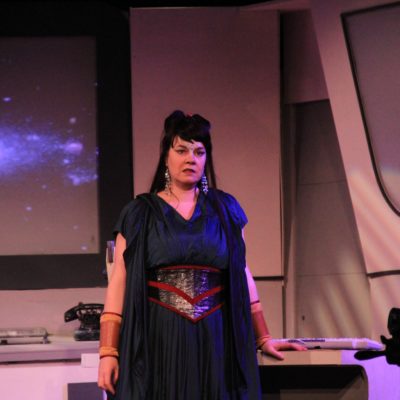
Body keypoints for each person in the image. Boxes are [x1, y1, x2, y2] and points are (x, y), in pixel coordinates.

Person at [97, 110, 306, 400]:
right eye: (181, 150)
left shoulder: (225, 210)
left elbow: (241, 273)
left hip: (215, 338)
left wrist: (264, 337)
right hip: (159, 337)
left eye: (199, 152)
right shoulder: (139, 213)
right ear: (166, 156)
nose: (191, 159)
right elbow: (119, 280)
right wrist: (108, 352)